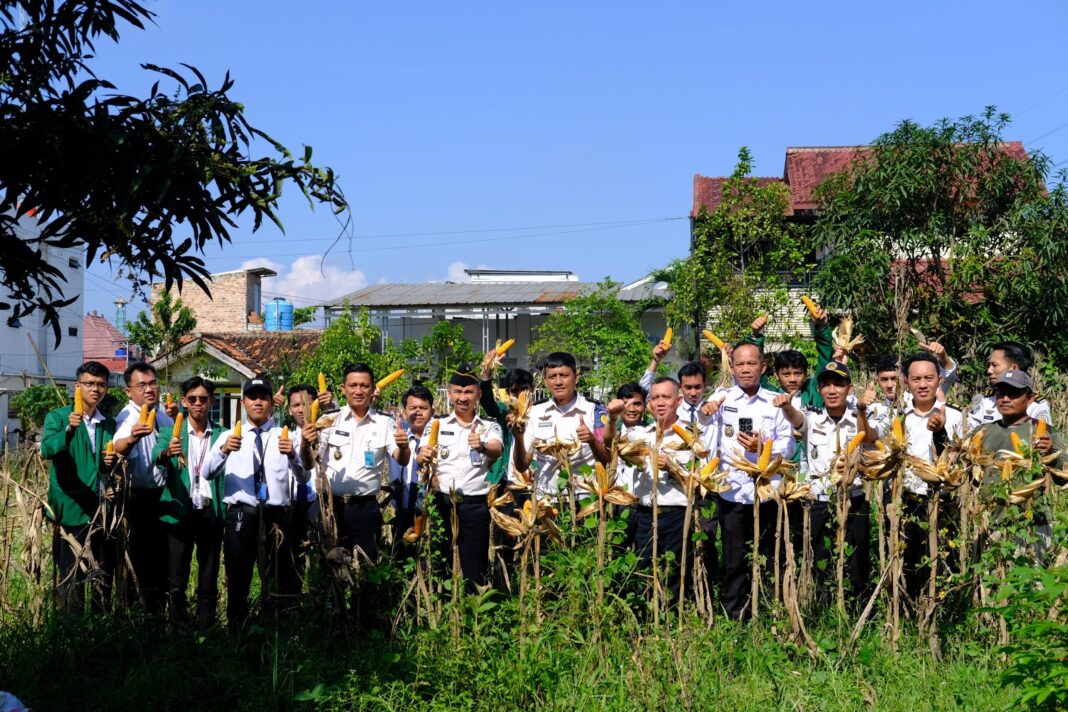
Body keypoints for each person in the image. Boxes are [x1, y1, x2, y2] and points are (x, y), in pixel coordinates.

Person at [205, 375, 307, 628]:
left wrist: (293, 455)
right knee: (238, 576)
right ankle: (238, 631)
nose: (258, 402)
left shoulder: (287, 437)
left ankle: (276, 630)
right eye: (252, 397)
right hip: (241, 513)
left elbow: (304, 476)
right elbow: (207, 473)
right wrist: (223, 451)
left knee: (279, 576)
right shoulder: (229, 436)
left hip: (277, 515)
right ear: (243, 402)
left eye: (263, 397)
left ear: (272, 402)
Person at [776, 362, 878, 604]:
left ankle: (857, 609)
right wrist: (787, 406)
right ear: (819, 390)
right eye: (826, 385)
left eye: (839, 384)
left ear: (849, 389)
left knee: (857, 561)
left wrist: (862, 409)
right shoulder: (813, 417)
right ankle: (824, 609)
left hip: (854, 501)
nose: (832, 390)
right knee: (821, 560)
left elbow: (870, 436)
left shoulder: (860, 417)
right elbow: (796, 419)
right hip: (819, 503)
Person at [711, 341, 795, 620]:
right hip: (732, 494)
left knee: (771, 556)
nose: (745, 369)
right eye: (740, 364)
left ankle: (772, 611)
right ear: (732, 367)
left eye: (751, 363)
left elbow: (790, 446)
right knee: (734, 559)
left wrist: (765, 446)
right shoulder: (722, 399)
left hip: (766, 493)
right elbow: (707, 435)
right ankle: (735, 615)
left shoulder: (776, 401)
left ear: (763, 366)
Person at [301, 363, 410, 565]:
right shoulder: (329, 419)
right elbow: (308, 464)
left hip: (365, 509)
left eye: (364, 385)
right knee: (330, 571)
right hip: (330, 508)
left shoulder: (385, 422)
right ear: (343, 389)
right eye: (353, 385)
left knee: (367, 568)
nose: (358, 391)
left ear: (373, 388)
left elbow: (401, 458)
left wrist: (404, 447)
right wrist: (305, 443)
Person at [41, 361, 118, 609]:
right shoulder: (58, 417)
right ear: (77, 386)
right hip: (71, 509)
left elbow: (102, 467)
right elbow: (47, 449)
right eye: (89, 384)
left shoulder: (108, 423)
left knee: (99, 575)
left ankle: (98, 625)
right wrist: (69, 431)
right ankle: (70, 632)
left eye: (101, 385)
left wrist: (110, 463)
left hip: (100, 511)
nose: (95, 389)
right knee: (71, 577)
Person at [417, 367, 503, 588]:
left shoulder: (489, 425)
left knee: (475, 566)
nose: (463, 398)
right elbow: (421, 455)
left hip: (474, 505)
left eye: (468, 392)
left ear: (478, 395)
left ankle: (475, 612)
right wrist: (423, 455)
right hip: (442, 502)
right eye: (457, 391)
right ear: (450, 393)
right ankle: (441, 609)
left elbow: (496, 448)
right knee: (439, 563)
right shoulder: (437, 424)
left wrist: (482, 446)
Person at [153, 376, 224, 628]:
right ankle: (177, 625)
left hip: (209, 511)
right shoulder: (169, 433)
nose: (198, 404)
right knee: (176, 576)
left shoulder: (222, 435)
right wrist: (166, 452)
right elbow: (156, 455)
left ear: (211, 401)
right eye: (192, 399)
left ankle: (207, 625)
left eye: (203, 399)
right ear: (183, 402)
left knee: (208, 574)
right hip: (179, 510)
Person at [895, 352, 964, 605]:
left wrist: (941, 431)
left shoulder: (955, 416)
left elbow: (956, 456)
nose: (922, 384)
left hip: (944, 500)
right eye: (916, 379)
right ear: (906, 381)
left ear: (939, 380)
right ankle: (911, 608)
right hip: (910, 500)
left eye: (928, 378)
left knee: (945, 557)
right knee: (910, 558)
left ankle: (944, 609)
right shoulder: (901, 418)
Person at [973, 370, 1064, 560]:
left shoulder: (1046, 431)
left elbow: (1063, 474)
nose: (1005, 398)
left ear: (1029, 399)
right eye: (1001, 393)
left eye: (1013, 393)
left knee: (1029, 583)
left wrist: (1050, 454)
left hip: (1031, 522)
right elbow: (958, 463)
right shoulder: (983, 431)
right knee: (991, 582)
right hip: (990, 519)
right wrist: (939, 432)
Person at [112, 361, 177, 613]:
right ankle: (137, 611)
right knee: (140, 558)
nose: (149, 389)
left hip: (163, 496)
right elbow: (118, 447)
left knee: (162, 558)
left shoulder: (161, 415)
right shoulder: (127, 417)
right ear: (129, 391)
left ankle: (158, 609)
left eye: (153, 383)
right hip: (138, 499)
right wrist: (132, 438)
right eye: (142, 385)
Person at [631, 377, 697, 602]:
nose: (660, 403)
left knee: (674, 572)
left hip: (676, 516)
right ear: (648, 404)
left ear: (678, 401)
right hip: (645, 515)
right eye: (655, 398)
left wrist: (673, 468)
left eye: (666, 397)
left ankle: (673, 621)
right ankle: (646, 621)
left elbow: (699, 481)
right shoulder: (640, 435)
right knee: (644, 569)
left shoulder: (692, 435)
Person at [511, 352, 609, 499]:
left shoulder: (595, 410)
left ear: (576, 377)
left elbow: (608, 460)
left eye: (564, 375)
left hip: (584, 498)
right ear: (545, 380)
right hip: (546, 498)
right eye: (552, 377)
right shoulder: (535, 412)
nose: (558, 382)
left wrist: (592, 440)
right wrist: (518, 438)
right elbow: (522, 466)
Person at [390, 384, 434, 555]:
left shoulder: (440, 440)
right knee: (401, 555)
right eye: (413, 408)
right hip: (401, 508)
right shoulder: (394, 437)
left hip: (430, 512)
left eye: (423, 408)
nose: (418, 412)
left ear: (432, 411)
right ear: (404, 411)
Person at [479, 352, 534, 488]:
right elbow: (487, 402)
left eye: (524, 389)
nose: (520, 394)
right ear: (508, 393)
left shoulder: (540, 414)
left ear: (532, 389)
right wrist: (487, 372)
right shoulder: (504, 412)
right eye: (515, 391)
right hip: (505, 480)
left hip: (532, 480)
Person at [968, 341, 1051, 431]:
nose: (989, 370)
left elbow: (1043, 437)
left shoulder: (1036, 405)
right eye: (989, 365)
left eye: (995, 365)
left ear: (1014, 368)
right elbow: (969, 433)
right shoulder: (986, 400)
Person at [604, 381, 647, 550]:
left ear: (644, 406)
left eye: (637, 403)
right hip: (620, 503)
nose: (631, 409)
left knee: (644, 552)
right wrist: (612, 417)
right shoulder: (614, 430)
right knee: (618, 549)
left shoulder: (651, 432)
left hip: (644, 504)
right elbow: (608, 441)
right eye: (625, 404)